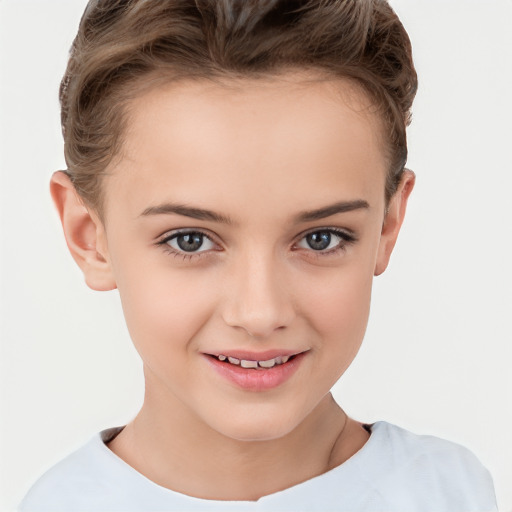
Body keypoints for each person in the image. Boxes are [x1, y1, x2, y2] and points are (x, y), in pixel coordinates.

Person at [18, 0, 497, 510]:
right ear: (89, 234)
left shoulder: (454, 494)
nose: (260, 313)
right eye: (190, 240)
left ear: (388, 224)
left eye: (321, 238)